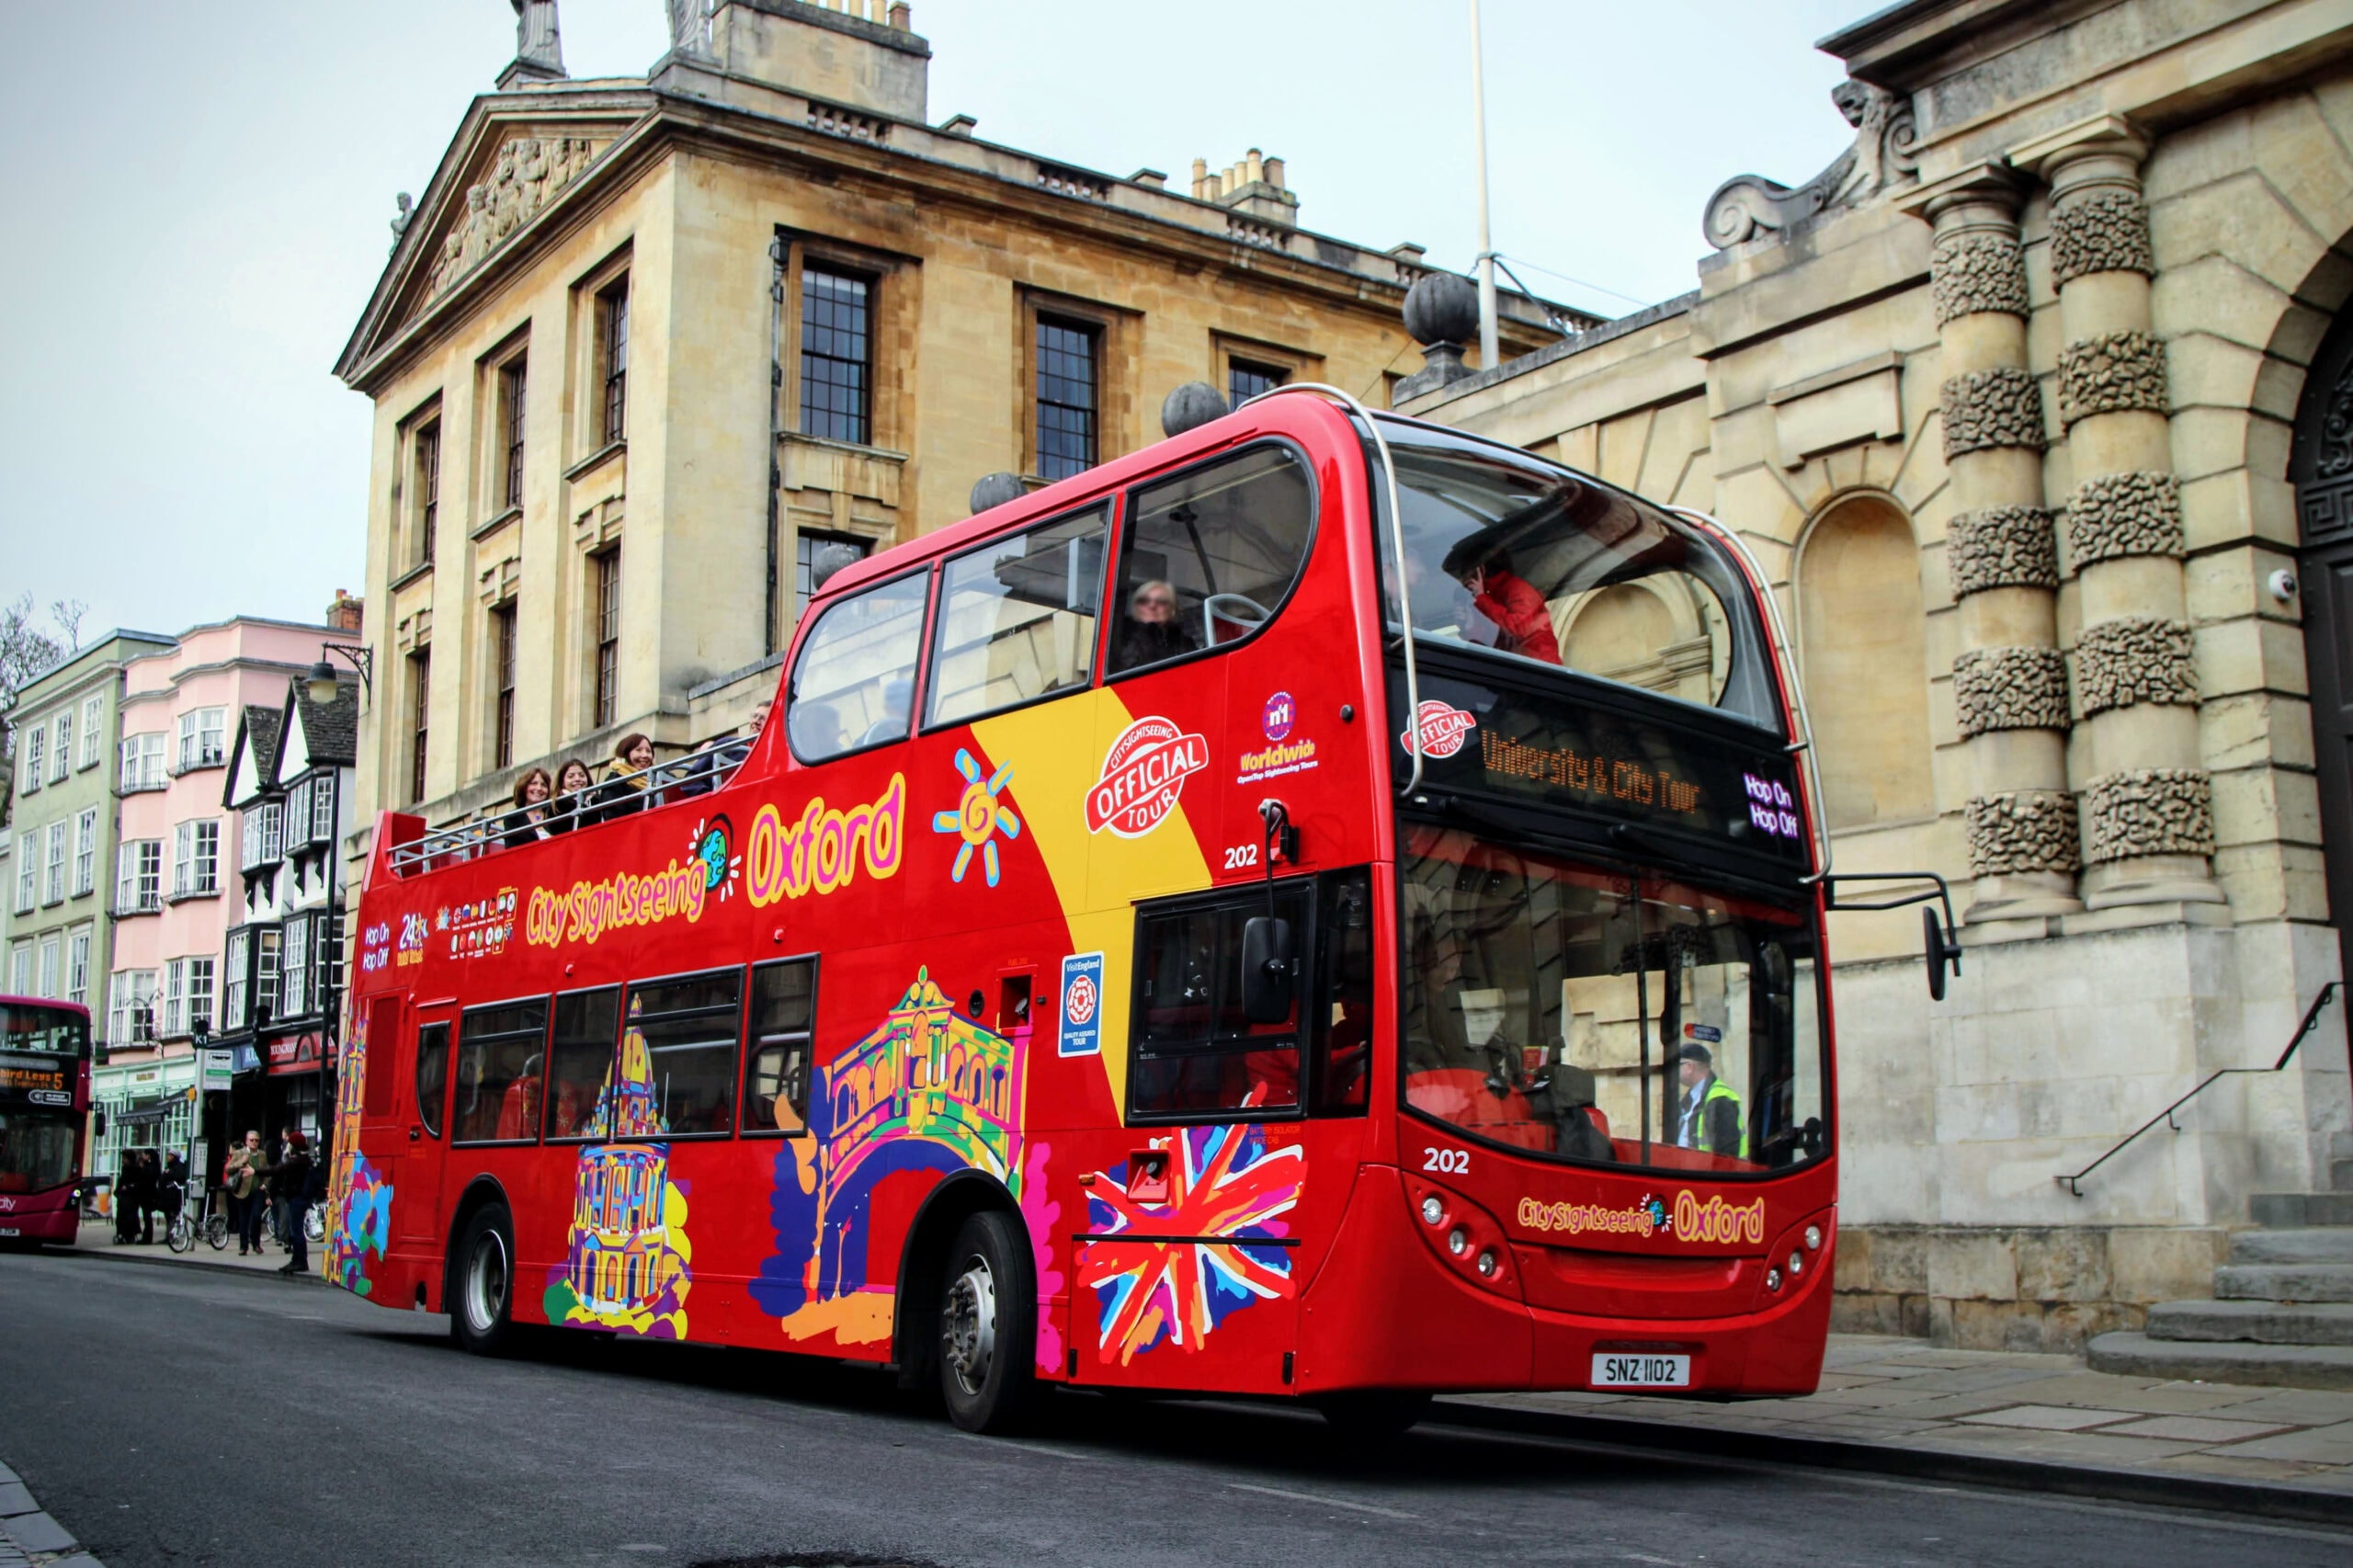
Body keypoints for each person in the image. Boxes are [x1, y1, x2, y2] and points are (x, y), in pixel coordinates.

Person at [1460, 550, 1563, 666]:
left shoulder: (1517, 588)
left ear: (1481, 570)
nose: (1465, 582)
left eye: (1468, 575)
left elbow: (1519, 627)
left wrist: (1482, 598)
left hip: (1539, 666)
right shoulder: (1493, 594)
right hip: (1521, 665)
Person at [679, 699, 768, 797]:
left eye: (763, 718)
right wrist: (711, 800)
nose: (756, 721)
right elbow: (690, 780)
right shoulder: (729, 746)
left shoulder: (772, 758)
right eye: (755, 716)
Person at [1672, 1043, 1745, 1160]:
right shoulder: (1689, 1100)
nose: (1674, 1071)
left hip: (1709, 1176)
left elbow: (1726, 1152)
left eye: (1678, 1065)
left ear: (1690, 1067)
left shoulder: (1720, 1097)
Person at [1111, 578, 1199, 673]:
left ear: (1173, 609)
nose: (1152, 606)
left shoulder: (1184, 642)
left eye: (1161, 601)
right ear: (1136, 608)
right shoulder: (1122, 639)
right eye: (1144, 601)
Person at [259, 1128, 313, 1275]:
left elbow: (277, 1170)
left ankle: (299, 1260)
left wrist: (255, 1171)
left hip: (297, 1198)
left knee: (296, 1230)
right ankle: (298, 1259)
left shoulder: (296, 1162)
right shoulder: (304, 1160)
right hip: (299, 1198)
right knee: (295, 1229)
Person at [596, 733, 659, 821]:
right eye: (639, 750)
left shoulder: (658, 778)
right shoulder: (616, 782)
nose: (645, 755)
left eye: (648, 751)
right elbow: (613, 819)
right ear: (625, 753)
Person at [223, 1130, 264, 1255]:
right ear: (247, 1141)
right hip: (242, 1190)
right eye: (251, 1140)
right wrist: (241, 1162)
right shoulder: (239, 1153)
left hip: (258, 1191)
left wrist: (265, 1185)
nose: (254, 1143)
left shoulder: (262, 1155)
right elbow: (228, 1169)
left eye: (256, 1140)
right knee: (243, 1219)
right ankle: (243, 1246)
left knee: (257, 1216)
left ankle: (256, 1243)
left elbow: (267, 1172)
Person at [502, 767, 557, 848]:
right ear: (524, 787)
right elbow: (511, 851)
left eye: (543, 785)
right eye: (534, 783)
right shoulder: (513, 818)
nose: (539, 788)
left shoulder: (554, 813)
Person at [548, 757, 596, 832]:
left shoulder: (596, 800)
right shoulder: (557, 805)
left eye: (581, 775)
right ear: (562, 782)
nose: (577, 779)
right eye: (571, 776)